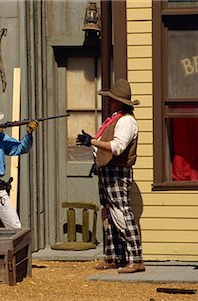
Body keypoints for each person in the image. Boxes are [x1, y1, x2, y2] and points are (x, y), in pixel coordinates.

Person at [76, 79, 144, 274]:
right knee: (108, 213)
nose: (110, 102)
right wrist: (93, 143)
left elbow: (117, 147)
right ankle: (113, 257)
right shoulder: (114, 119)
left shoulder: (126, 121)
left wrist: (93, 141)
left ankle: (135, 259)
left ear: (120, 102)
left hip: (117, 172)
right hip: (107, 171)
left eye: (113, 100)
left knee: (122, 214)